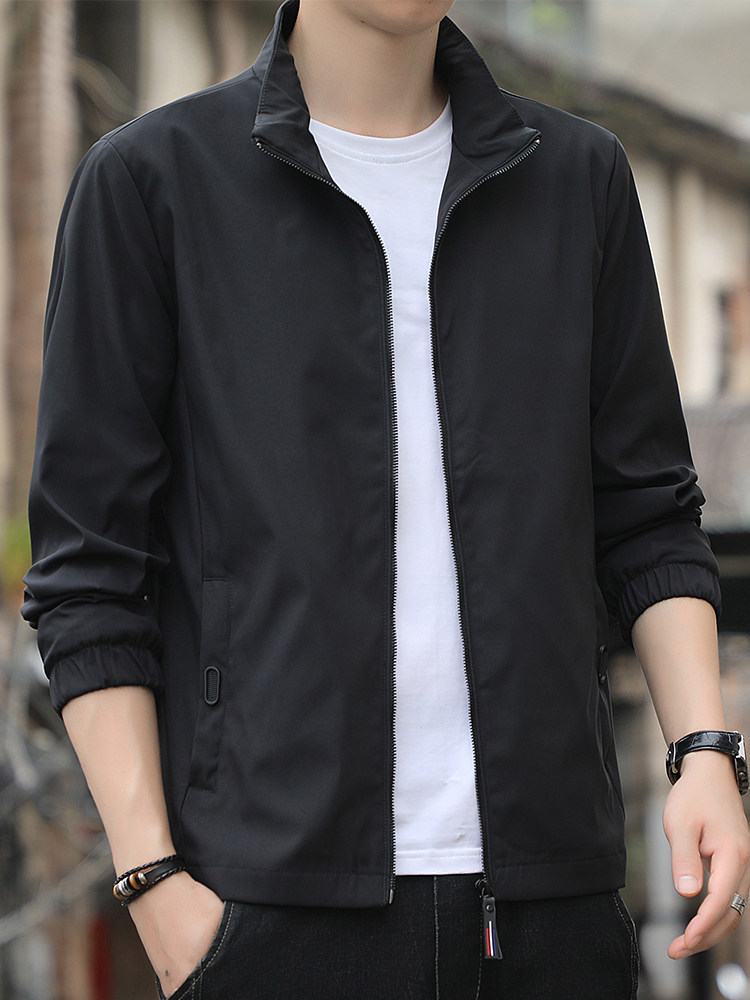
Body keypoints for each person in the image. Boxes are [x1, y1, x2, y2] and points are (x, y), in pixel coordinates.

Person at [22, 0, 750, 997]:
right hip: (267, 910)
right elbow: (88, 573)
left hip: (550, 913)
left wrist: (704, 750)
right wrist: (153, 880)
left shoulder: (578, 179)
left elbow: (649, 518)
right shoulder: (154, 182)